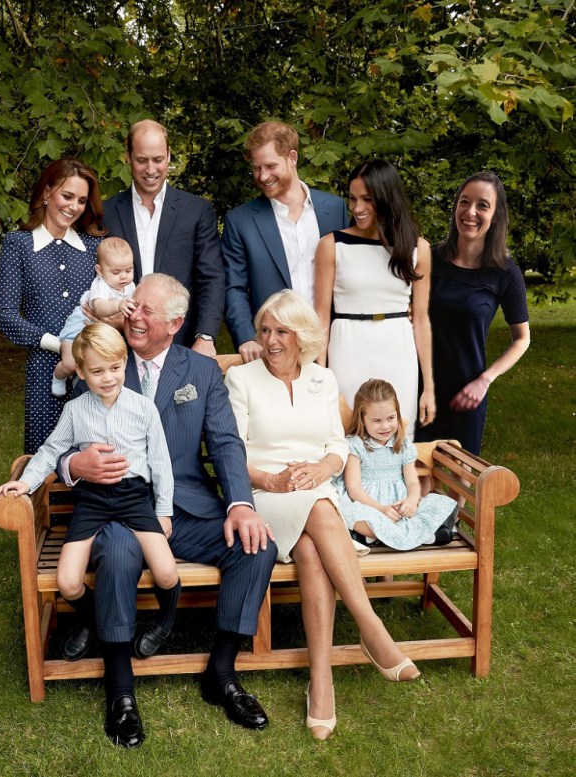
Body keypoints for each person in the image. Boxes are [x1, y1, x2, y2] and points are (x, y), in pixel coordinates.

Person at [59, 274, 277, 748]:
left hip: (187, 510)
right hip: (120, 508)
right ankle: (120, 689)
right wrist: (74, 465)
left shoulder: (200, 372)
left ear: (175, 324)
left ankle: (221, 672)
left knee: (256, 547)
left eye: (146, 311)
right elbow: (64, 439)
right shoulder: (105, 358)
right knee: (118, 554)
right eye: (132, 305)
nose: (133, 315)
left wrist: (241, 504)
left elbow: (225, 442)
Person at [224, 290, 420, 742]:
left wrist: (321, 469)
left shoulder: (323, 379)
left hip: (316, 489)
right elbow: (231, 450)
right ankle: (372, 630)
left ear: (302, 336)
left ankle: (322, 681)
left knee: (313, 548)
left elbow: (336, 444)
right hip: (264, 493)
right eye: (265, 330)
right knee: (319, 508)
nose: (271, 340)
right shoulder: (241, 378)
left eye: (282, 331)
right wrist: (272, 480)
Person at [0, 324, 180, 730]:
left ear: (125, 363)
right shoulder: (76, 411)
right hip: (92, 501)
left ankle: (165, 622)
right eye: (96, 371)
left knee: (167, 572)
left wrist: (163, 511)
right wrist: (26, 483)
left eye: (114, 368)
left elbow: (161, 462)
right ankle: (97, 620)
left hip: (133, 498)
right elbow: (51, 451)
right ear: (80, 372)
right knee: (67, 581)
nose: (107, 378)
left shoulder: (143, 407)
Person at [315, 159, 435, 437]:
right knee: (347, 432)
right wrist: (319, 378)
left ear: (386, 198)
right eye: (353, 198)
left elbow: (421, 320)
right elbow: (321, 317)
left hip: (398, 353)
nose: (357, 208)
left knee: (397, 438)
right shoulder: (332, 245)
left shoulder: (418, 249)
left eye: (367, 199)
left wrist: (428, 387)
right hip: (347, 350)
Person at [415, 172, 530, 455]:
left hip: (466, 395)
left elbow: (522, 339)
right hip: (418, 387)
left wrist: (484, 381)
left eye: (482, 205)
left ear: (496, 215)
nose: (470, 212)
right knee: (412, 474)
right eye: (464, 202)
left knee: (460, 479)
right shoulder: (430, 258)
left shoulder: (505, 272)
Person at [0, 158, 106, 453]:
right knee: (44, 454)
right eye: (67, 196)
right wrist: (59, 346)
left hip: (93, 365)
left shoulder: (95, 247)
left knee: (94, 452)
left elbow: (114, 296)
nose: (74, 206)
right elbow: (6, 316)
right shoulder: (18, 244)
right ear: (46, 193)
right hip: (45, 368)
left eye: (81, 200)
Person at [222, 120, 349, 362]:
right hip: (272, 348)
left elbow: (349, 274)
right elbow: (234, 288)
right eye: (257, 168)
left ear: (292, 158)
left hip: (331, 344)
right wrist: (247, 337)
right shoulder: (240, 221)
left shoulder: (335, 209)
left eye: (271, 166)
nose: (263, 176)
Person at [102, 119, 224, 357]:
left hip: (182, 343)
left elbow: (211, 279)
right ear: (128, 157)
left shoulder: (196, 211)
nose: (150, 170)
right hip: (118, 346)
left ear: (169, 155)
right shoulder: (106, 213)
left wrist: (205, 336)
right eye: (141, 160)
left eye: (158, 159)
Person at [334, 378, 458, 550]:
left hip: (400, 505)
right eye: (377, 421)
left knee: (437, 503)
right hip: (370, 506)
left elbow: (412, 482)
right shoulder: (356, 445)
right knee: (348, 512)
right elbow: (354, 489)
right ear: (362, 419)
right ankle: (424, 536)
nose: (385, 426)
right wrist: (381, 509)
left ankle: (373, 537)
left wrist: (411, 501)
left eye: (391, 418)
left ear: (397, 414)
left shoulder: (402, 444)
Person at [51, 237, 136, 396]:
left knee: (96, 365)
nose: (123, 277)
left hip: (100, 334)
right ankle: (59, 376)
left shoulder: (129, 286)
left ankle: (80, 383)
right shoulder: (100, 285)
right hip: (79, 328)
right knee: (70, 364)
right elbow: (100, 308)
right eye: (116, 272)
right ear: (100, 271)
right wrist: (119, 305)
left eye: (128, 270)